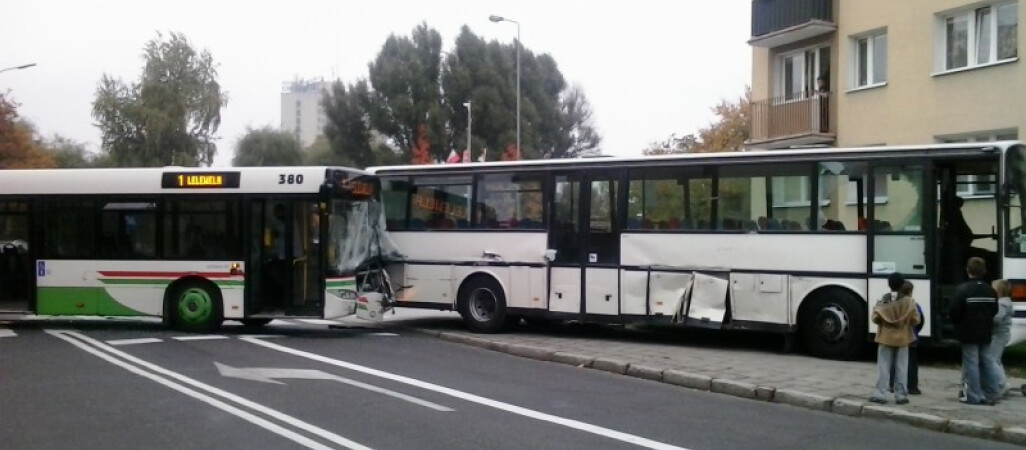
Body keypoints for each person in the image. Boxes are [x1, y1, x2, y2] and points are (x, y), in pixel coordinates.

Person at [949, 257, 1001, 405]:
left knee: (971, 362)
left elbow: (954, 311)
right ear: (984, 271)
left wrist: (958, 324)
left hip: (967, 331)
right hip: (985, 330)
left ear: (968, 270)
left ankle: (974, 395)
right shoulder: (990, 290)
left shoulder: (963, 289)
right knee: (987, 361)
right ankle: (992, 393)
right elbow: (994, 310)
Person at [870, 272, 921, 405]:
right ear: (902, 284)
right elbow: (916, 320)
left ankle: (880, 394)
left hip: (885, 338)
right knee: (902, 367)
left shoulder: (883, 299)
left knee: (883, 367)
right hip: (903, 338)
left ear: (889, 284)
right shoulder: (909, 302)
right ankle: (901, 395)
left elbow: (875, 318)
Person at [990, 279, 1014, 395]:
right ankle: (1003, 382)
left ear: (998, 291)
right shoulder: (1006, 302)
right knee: (997, 360)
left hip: (998, 335)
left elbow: (997, 319)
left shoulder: (1001, 304)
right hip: (1002, 334)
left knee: (992, 360)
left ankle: (1001, 384)